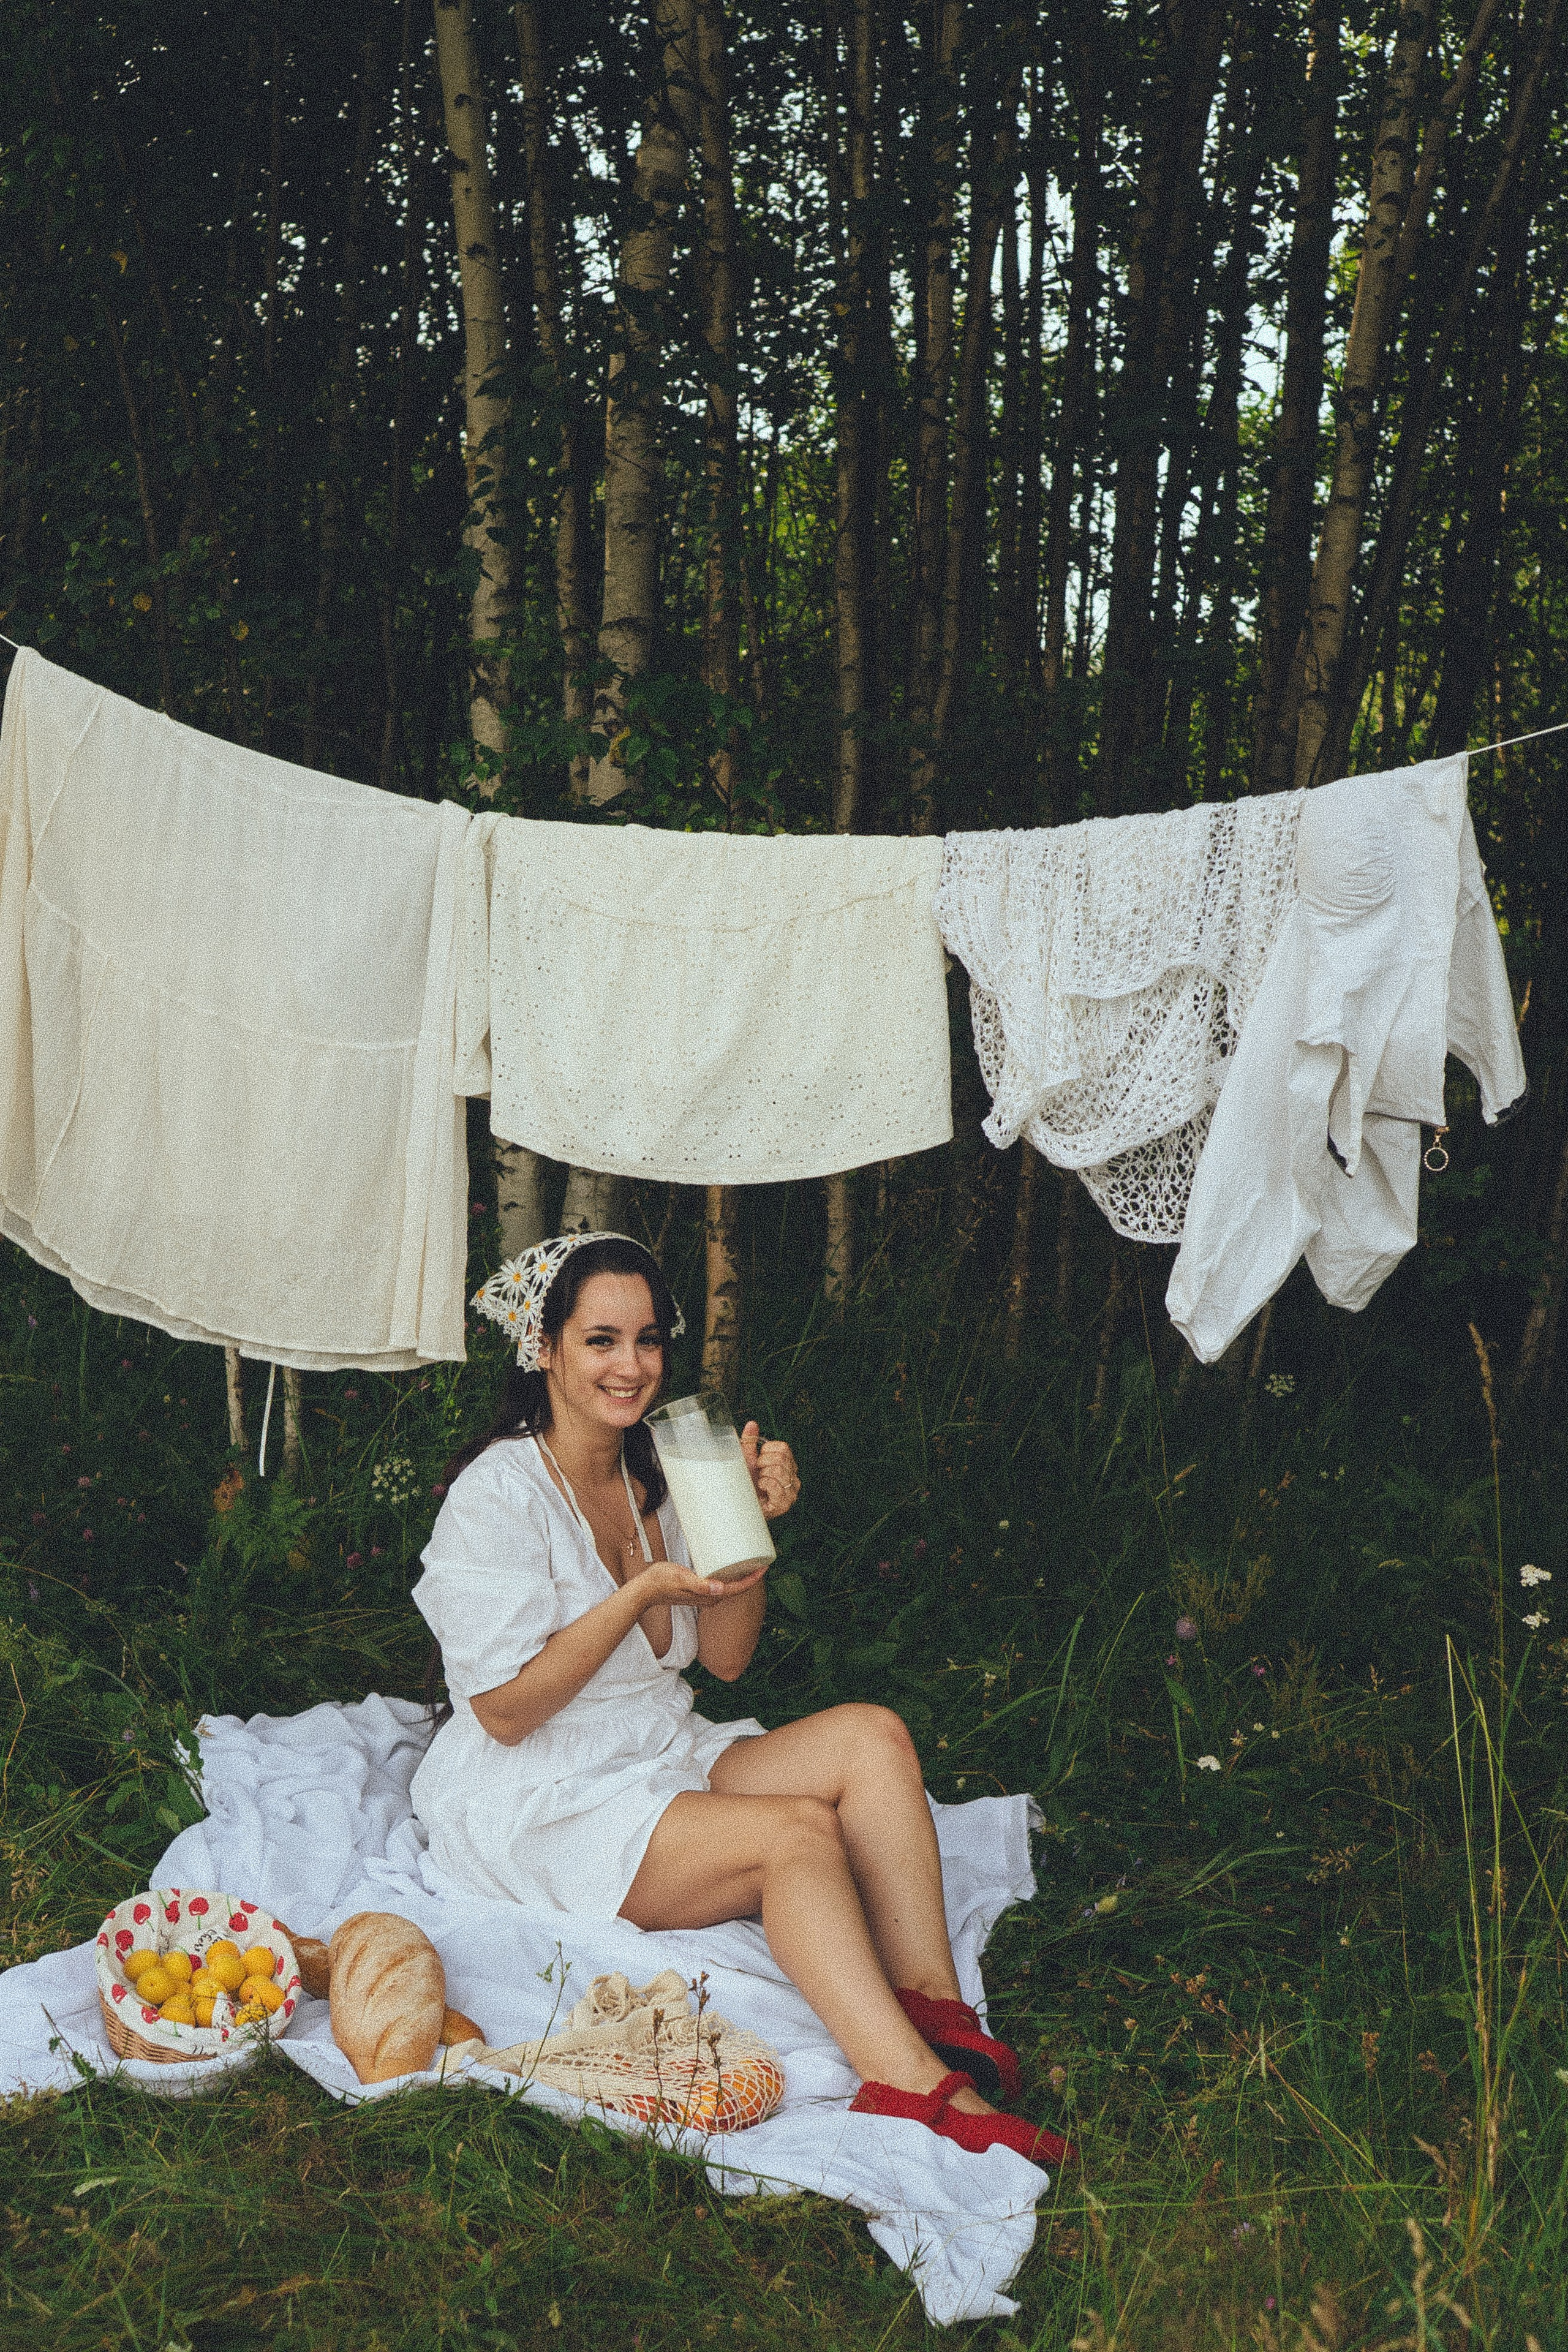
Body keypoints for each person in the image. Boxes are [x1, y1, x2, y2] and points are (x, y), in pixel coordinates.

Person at [412, 1231, 1066, 2163]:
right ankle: (909, 2085)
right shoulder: (499, 1494)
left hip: (653, 1748)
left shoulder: (664, 1469)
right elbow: (505, 1713)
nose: (632, 1366)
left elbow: (726, 1660)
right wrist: (637, 1594)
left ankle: (933, 2005)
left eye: (648, 1339)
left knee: (873, 1738)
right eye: (601, 1341)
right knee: (794, 1834)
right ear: (545, 1350)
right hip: (540, 1793)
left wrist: (745, 1535)